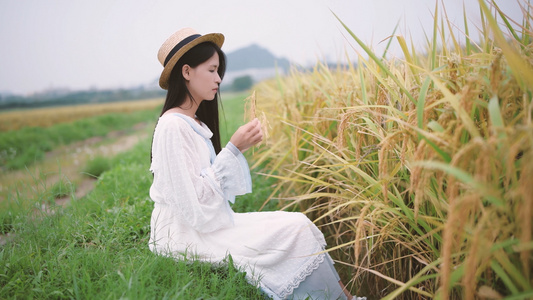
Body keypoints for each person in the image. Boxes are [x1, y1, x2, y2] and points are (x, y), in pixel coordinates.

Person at [149, 27, 363, 300]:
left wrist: (234, 150)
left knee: (299, 223)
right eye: (212, 70)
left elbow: (204, 195)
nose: (219, 79)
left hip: (206, 226)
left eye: (219, 71)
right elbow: (194, 209)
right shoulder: (172, 126)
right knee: (294, 228)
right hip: (184, 235)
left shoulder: (194, 123)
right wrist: (233, 150)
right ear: (187, 72)